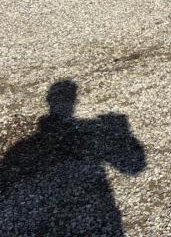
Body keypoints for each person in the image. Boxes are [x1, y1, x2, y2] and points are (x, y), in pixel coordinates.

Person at [0, 80, 146, 236]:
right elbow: (134, 167)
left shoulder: (20, 148)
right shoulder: (22, 148)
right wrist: (123, 132)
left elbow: (134, 167)